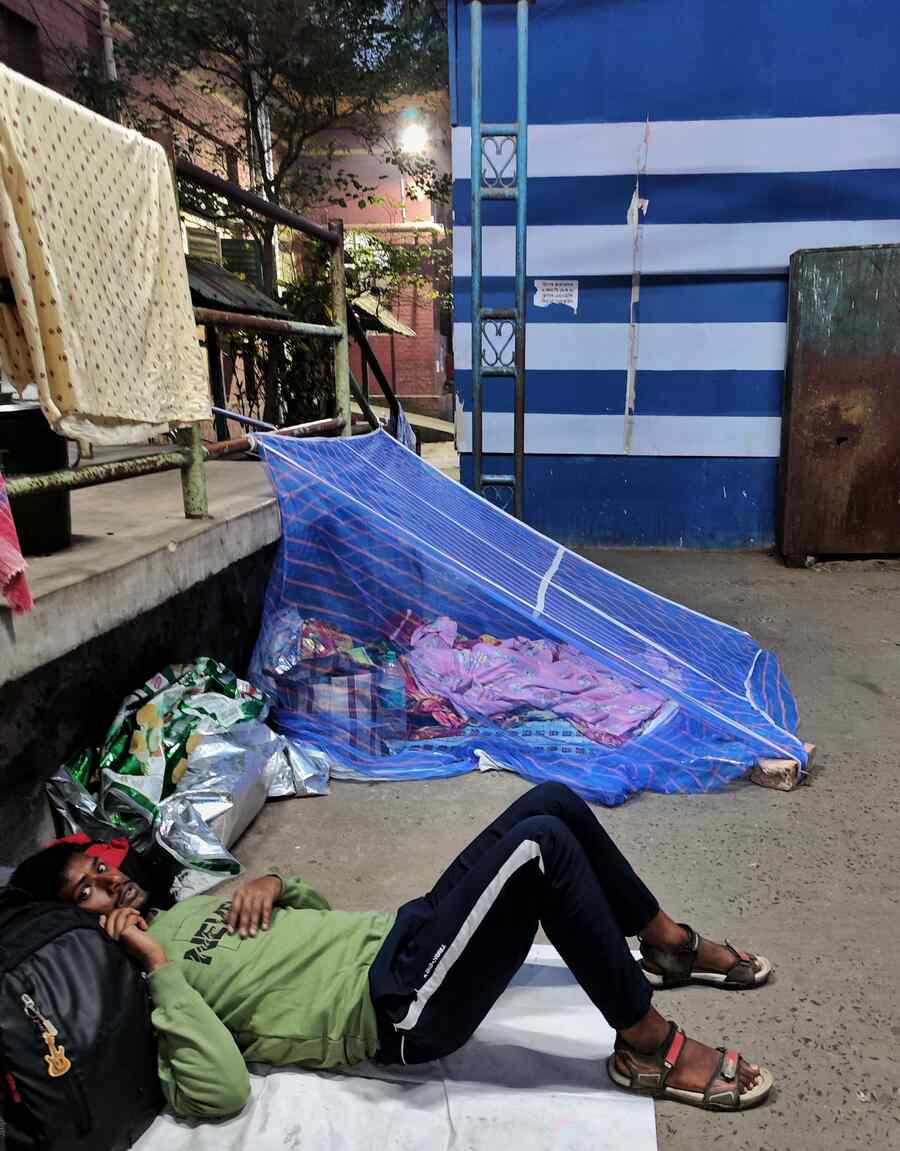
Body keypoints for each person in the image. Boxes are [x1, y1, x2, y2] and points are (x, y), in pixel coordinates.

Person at [10, 782, 773, 1118]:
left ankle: (666, 942)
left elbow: (318, 918)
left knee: (551, 800)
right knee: (540, 849)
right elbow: (219, 1091)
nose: (111, 883)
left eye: (101, 870)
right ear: (81, 927)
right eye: (88, 893)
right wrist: (159, 967)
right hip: (400, 1006)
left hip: (404, 937)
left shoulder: (182, 909)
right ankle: (646, 1044)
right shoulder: (151, 990)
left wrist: (278, 880)